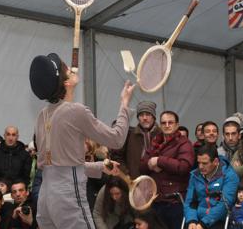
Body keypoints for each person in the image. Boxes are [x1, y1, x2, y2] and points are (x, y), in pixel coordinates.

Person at [29, 52, 133, 229]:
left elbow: (58, 167)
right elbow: (116, 139)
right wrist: (124, 104)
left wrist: (100, 167)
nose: (70, 67)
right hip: (67, 196)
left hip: (45, 199)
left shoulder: (42, 115)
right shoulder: (75, 111)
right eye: (66, 68)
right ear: (66, 83)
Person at [139, 110, 194, 229]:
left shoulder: (184, 143)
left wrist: (159, 161)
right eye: (164, 123)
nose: (167, 125)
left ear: (177, 125)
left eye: (170, 122)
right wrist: (150, 164)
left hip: (174, 201)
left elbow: (184, 167)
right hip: (156, 199)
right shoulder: (155, 142)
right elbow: (141, 167)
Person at [184, 144, 239, 229]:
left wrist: (203, 223)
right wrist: (191, 220)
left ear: (216, 161)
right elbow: (190, 202)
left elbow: (225, 205)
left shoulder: (229, 175)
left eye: (205, 163)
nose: (200, 167)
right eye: (199, 163)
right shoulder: (195, 175)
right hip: (197, 218)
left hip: (218, 219)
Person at [112, 101, 161, 179]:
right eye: (141, 115)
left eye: (148, 114)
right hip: (134, 182)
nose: (144, 118)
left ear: (154, 117)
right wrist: (126, 174)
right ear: (138, 118)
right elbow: (117, 157)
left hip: (157, 182)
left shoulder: (162, 134)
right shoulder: (129, 134)